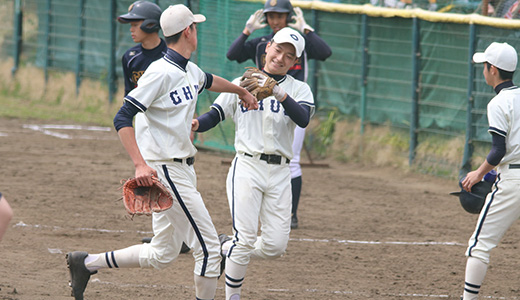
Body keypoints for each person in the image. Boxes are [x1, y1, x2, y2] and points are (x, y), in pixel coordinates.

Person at [65, 5, 258, 300]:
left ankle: (86, 263)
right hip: (165, 169)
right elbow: (122, 117)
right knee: (209, 250)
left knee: (163, 253)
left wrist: (240, 91)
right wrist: (140, 165)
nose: (197, 31)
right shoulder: (160, 73)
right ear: (188, 32)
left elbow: (207, 79)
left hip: (182, 168)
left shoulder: (187, 69)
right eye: (195, 27)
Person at [193, 27, 314, 300]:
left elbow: (303, 119)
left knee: (275, 247)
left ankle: (226, 248)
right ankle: (232, 295)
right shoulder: (241, 82)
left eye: (289, 55)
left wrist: (279, 93)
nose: (281, 57)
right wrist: (197, 124)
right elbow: (216, 113)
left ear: (295, 62)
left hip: (281, 172)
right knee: (246, 238)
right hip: (247, 168)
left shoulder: (299, 89)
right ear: (268, 47)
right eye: (278, 49)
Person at [226, 0, 331, 229]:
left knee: (291, 161)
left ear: (289, 17)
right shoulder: (262, 43)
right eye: (271, 15)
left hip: (291, 104)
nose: (275, 20)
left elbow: (325, 52)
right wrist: (247, 31)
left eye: (280, 15)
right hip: (260, 103)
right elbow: (232, 54)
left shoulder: (299, 44)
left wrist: (306, 29)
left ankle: (291, 214)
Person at [118, 0, 191, 254]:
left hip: (169, 124)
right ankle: (164, 235)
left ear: (151, 24)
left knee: (176, 173)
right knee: (151, 173)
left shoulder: (168, 55)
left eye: (135, 23)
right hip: (143, 123)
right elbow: (130, 96)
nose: (131, 29)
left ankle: (179, 236)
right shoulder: (130, 57)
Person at [460, 42, 520, 300]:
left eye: (484, 66)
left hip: (514, 181)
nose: (483, 70)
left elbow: (498, 150)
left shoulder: (498, 103)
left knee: (479, 245)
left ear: (492, 70)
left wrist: (480, 173)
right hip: (512, 173)